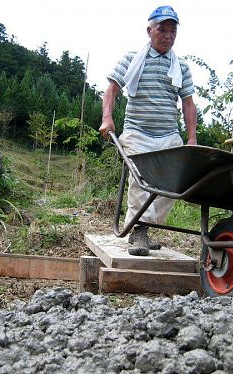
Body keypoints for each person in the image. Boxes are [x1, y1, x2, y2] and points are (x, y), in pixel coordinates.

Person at [99, 5, 197, 256]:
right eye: (162, 30)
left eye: (172, 31)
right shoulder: (132, 59)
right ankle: (139, 230)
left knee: (176, 185)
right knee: (140, 182)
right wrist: (107, 118)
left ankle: (146, 225)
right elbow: (111, 89)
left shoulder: (181, 67)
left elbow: (187, 103)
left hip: (168, 135)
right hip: (137, 132)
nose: (168, 35)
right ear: (149, 31)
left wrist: (192, 139)